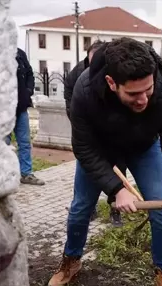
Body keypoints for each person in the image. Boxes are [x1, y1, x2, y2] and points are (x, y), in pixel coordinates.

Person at [48, 38, 162, 286]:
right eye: (133, 94)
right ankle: (71, 261)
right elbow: (83, 148)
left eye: (147, 90)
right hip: (99, 151)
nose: (143, 100)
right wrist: (117, 189)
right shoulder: (84, 91)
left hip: (143, 148)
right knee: (81, 207)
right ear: (111, 82)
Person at [64, 41, 123, 227]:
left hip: (115, 138)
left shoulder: (116, 75)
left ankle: (115, 209)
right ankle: (88, 209)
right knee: (84, 185)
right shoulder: (78, 75)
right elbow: (69, 97)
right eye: (91, 62)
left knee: (119, 173)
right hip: (89, 136)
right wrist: (78, 120)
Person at [8, 49, 45, 185]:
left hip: (21, 107)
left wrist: (28, 91)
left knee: (24, 142)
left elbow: (29, 74)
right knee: (4, 145)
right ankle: (6, 175)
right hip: (4, 109)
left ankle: (26, 173)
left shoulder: (19, 54)